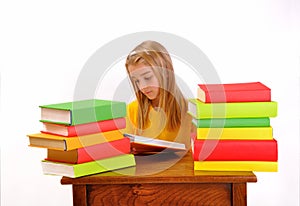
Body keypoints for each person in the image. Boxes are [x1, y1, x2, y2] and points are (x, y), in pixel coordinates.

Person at [124, 40, 192, 150]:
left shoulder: (190, 111)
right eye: (136, 81)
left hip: (182, 167)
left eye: (147, 77)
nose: (142, 87)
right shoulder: (132, 110)